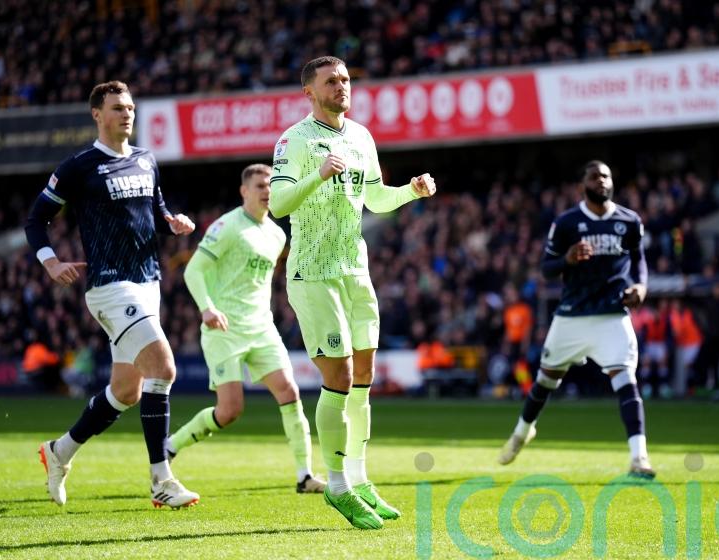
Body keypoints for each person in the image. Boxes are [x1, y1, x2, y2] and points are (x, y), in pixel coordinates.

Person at [269, 55, 436, 529]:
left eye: (345, 79)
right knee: (339, 376)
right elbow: (278, 203)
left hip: (354, 271)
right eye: (331, 81)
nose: (341, 86)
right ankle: (337, 484)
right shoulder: (294, 141)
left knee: (364, 375)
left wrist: (410, 190)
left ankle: (360, 479)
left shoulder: (361, 137)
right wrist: (318, 174)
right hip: (313, 274)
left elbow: (376, 198)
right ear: (309, 91)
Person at [25, 80, 199, 508]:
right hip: (109, 284)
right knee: (163, 368)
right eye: (118, 108)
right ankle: (161, 480)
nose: (127, 114)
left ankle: (58, 452)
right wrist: (51, 262)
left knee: (126, 392)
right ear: (97, 115)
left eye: (130, 107)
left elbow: (155, 211)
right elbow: (36, 219)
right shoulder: (78, 166)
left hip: (148, 282)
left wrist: (173, 222)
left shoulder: (146, 159)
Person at [165, 163, 326, 494]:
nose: (267, 191)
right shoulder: (226, 226)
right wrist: (207, 308)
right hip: (225, 328)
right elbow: (193, 270)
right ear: (244, 191)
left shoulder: (277, 235)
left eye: (271, 185)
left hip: (262, 327)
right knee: (229, 411)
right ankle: (170, 446)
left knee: (290, 392)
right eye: (260, 186)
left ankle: (305, 476)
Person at [497, 160, 655, 478]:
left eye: (606, 176)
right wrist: (566, 259)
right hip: (572, 315)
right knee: (545, 380)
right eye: (594, 177)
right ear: (582, 185)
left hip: (612, 314)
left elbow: (638, 260)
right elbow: (546, 269)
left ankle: (639, 458)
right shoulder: (567, 223)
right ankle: (522, 432)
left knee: (627, 381)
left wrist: (640, 286)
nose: (601, 181)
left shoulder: (629, 220)